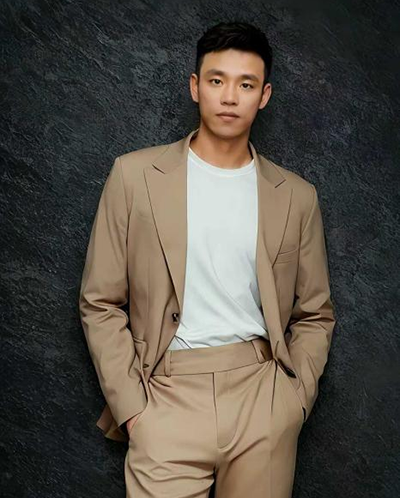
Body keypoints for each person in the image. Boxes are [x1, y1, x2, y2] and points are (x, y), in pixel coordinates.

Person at [79, 20, 336, 498]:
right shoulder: (134, 177)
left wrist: (293, 401)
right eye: (217, 80)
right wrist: (133, 408)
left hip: (262, 398)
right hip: (165, 396)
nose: (230, 97)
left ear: (264, 96)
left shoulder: (297, 197)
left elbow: (315, 313)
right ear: (196, 87)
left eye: (246, 84)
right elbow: (100, 301)